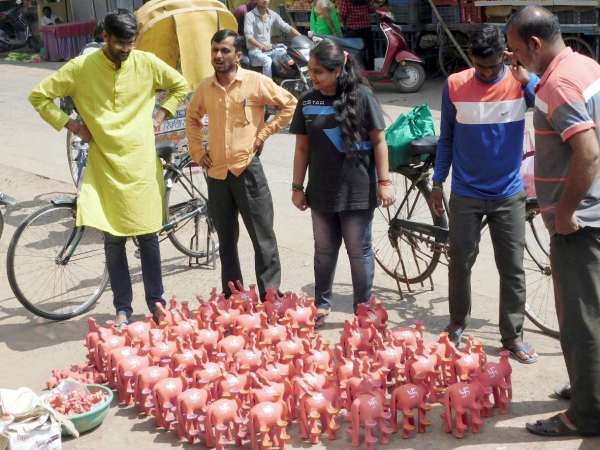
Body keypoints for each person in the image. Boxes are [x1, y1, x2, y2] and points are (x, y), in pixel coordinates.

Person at [29, 9, 189, 327]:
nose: (126, 50)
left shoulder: (144, 63)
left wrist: (160, 115)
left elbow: (180, 86)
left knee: (148, 237)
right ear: (105, 37)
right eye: (120, 44)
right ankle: (123, 308)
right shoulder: (81, 67)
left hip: (142, 163)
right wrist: (72, 126)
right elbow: (39, 96)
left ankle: (157, 302)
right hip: (104, 163)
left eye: (131, 43)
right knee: (113, 239)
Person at [506, 5, 600, 437]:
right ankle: (590, 390)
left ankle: (587, 414)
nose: (516, 60)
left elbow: (588, 152)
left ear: (535, 44)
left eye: (517, 51)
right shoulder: (582, 65)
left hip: (583, 223)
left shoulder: (558, 83)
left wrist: (563, 212)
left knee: (581, 321)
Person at [431, 25, 539, 363]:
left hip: (508, 193)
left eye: (493, 66)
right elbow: (446, 138)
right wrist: (437, 181)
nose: (487, 73)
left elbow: (552, 104)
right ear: (472, 59)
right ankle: (457, 323)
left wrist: (528, 79)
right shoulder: (455, 85)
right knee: (460, 263)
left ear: (504, 56)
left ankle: (513, 336)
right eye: (481, 66)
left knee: (513, 268)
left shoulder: (521, 85)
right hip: (466, 192)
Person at [289, 39, 394, 326]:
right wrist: (297, 188)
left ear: (338, 70)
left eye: (320, 72)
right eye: (311, 71)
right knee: (323, 251)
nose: (314, 78)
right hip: (320, 192)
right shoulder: (307, 101)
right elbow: (301, 149)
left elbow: (380, 142)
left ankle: (363, 307)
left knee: (359, 253)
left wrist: (384, 181)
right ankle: (321, 304)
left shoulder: (363, 97)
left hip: (357, 192)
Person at [186, 29, 297, 300]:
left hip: (247, 170)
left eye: (225, 50)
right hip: (216, 174)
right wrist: (198, 151)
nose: (218, 55)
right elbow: (192, 118)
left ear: (239, 55)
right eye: (214, 50)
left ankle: (270, 297)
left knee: (263, 238)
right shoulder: (205, 88)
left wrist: (263, 134)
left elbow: (290, 104)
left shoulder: (255, 82)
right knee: (226, 242)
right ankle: (233, 297)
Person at [244, 0, 300, 78]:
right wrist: (261, 47)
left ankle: (295, 79)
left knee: (288, 54)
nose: (265, 0)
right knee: (267, 61)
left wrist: (301, 37)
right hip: (255, 51)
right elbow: (249, 36)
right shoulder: (249, 16)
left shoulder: (272, 14)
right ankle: (268, 86)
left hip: (270, 50)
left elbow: (286, 27)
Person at [337, 0, 373, 69]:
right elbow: (371, 10)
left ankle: (354, 70)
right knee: (368, 50)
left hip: (352, 30)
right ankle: (370, 70)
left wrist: (344, 23)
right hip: (366, 28)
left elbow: (343, 14)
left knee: (351, 51)